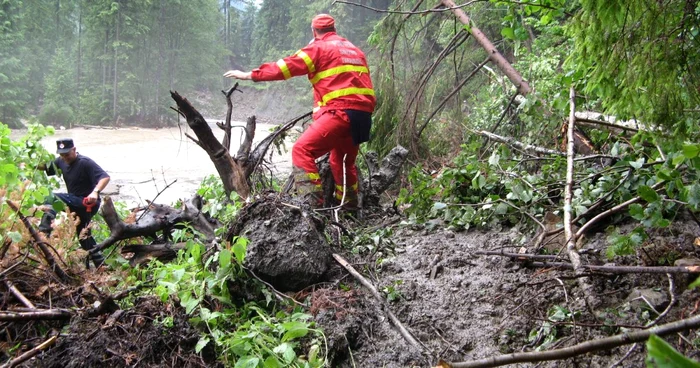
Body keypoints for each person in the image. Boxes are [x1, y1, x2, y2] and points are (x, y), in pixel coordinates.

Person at [224, 14, 376, 209]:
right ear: (334, 29)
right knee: (342, 162)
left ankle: (312, 205)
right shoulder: (355, 51)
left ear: (314, 31)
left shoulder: (318, 48)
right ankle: (350, 208)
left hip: (340, 112)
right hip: (362, 116)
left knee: (302, 150)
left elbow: (286, 67)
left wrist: (250, 75)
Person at [38, 138, 110, 268]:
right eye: (62, 154)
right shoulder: (61, 161)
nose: (65, 157)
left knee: (52, 197)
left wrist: (95, 192)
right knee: (84, 236)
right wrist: (29, 163)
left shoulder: (85, 162)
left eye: (67, 154)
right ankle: (102, 266)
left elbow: (105, 177)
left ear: (74, 150)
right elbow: (46, 167)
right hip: (74, 202)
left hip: (86, 202)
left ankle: (43, 231)